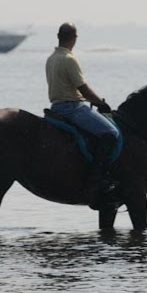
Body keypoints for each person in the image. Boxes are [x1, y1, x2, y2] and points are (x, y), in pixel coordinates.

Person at [45, 22, 120, 210]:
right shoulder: (69, 59)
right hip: (73, 107)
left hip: (56, 106)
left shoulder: (52, 58)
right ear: (74, 38)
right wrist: (101, 103)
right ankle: (98, 180)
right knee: (111, 133)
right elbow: (83, 88)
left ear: (59, 36)